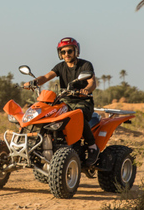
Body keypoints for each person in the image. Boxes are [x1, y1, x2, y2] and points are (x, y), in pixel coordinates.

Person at [23, 37, 99, 166]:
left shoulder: (85, 65)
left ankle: (92, 146)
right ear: (60, 54)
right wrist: (34, 82)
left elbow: (92, 82)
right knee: (49, 115)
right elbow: (47, 77)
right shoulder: (60, 66)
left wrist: (86, 90)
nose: (67, 54)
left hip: (83, 101)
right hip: (64, 101)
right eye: (63, 52)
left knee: (78, 114)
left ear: (76, 51)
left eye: (70, 51)